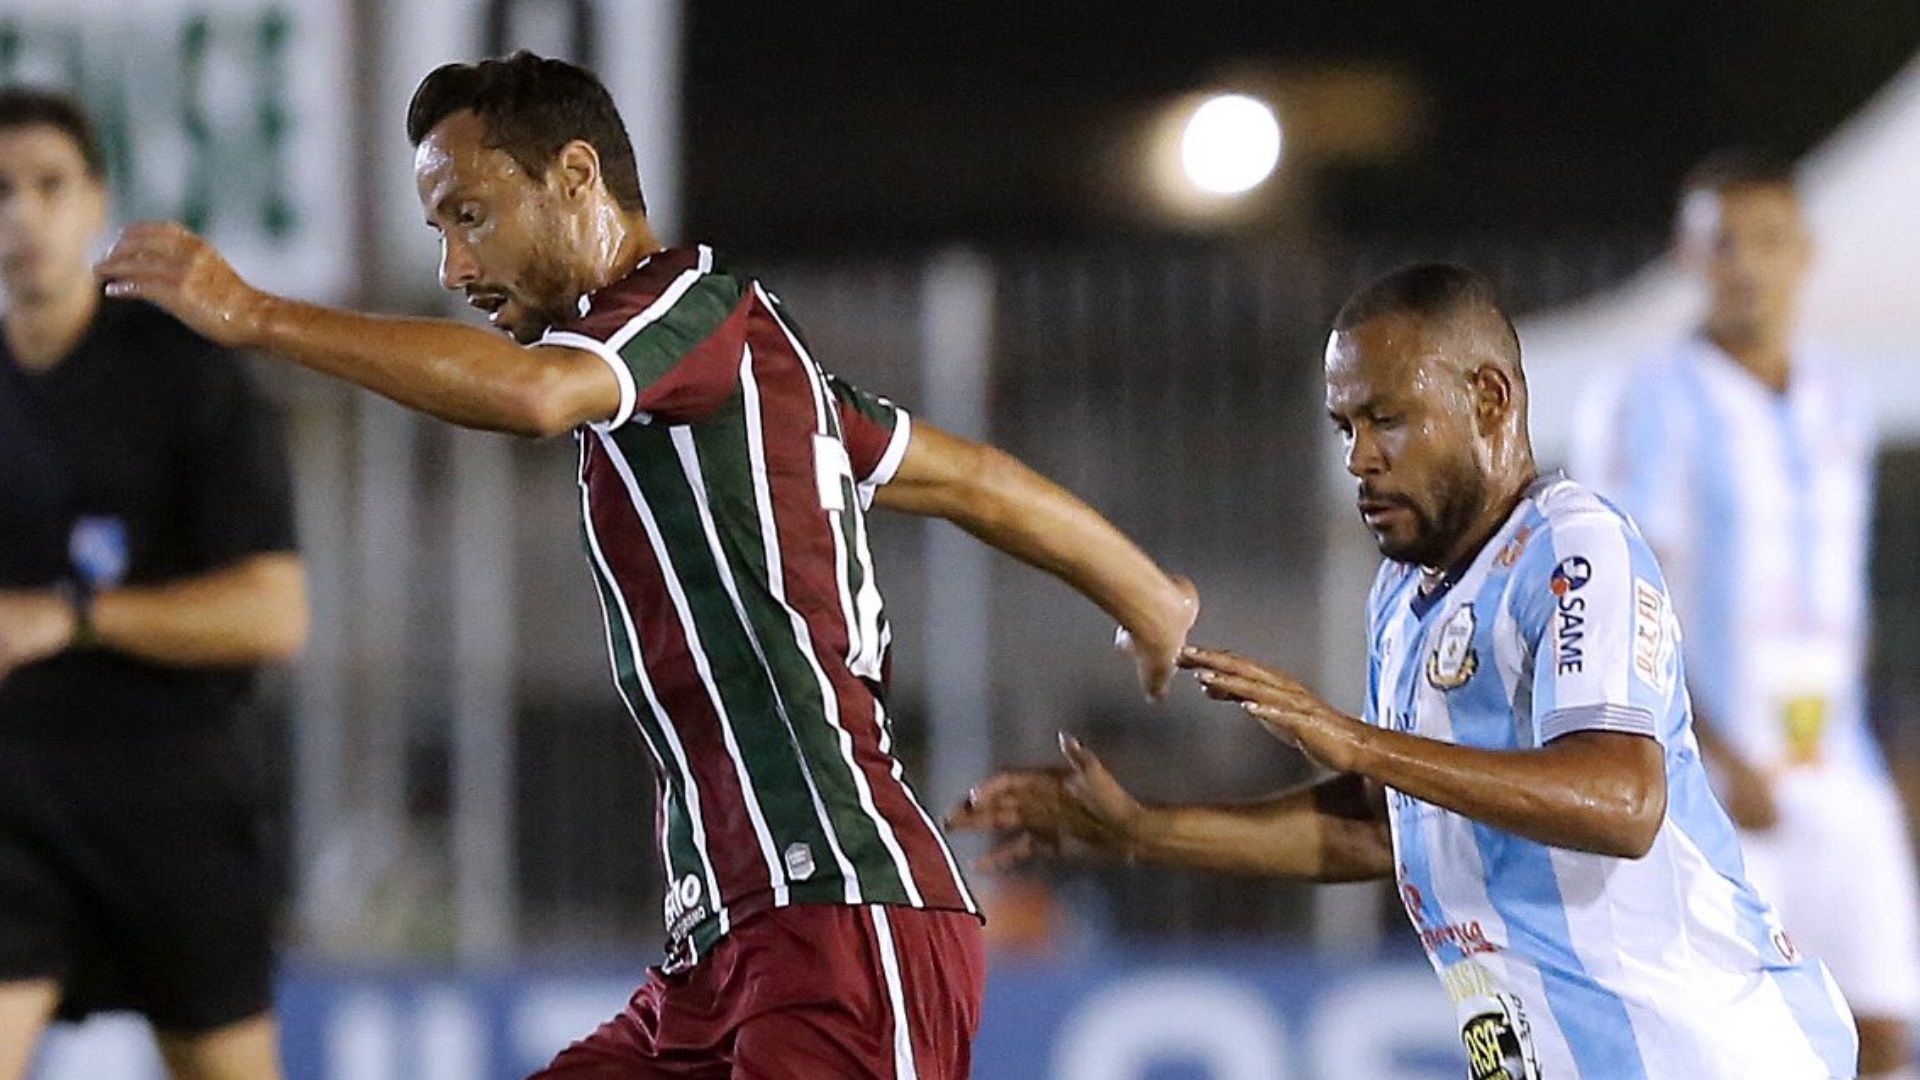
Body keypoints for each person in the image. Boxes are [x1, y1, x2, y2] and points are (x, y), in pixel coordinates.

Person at [93, 52, 1196, 1079]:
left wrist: (252, 314)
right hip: (718, 954)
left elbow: (532, 397)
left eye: (471, 217)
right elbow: (969, 480)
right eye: (439, 229)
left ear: (577, 177)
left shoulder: (688, 312)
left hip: (843, 919)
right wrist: (1145, 593)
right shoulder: (762, 377)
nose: (454, 266)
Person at [951, 263, 1861, 1079]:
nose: (1359, 458)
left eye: (1388, 419)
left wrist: (1356, 740)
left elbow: (1622, 802)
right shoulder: (1401, 599)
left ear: (1492, 400)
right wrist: (1144, 834)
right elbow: (1386, 830)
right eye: (1345, 425)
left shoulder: (1574, 548)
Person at [1570, 150, 1920, 1079]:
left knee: (1882, 1030)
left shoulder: (1842, 399)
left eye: (1768, 241)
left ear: (1805, 253)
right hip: (1718, 782)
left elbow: (1841, 592)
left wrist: (1880, 737)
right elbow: (1620, 598)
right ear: (1689, 259)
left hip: (1836, 760)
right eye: (1724, 244)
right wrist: (1717, 752)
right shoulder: (1644, 397)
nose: (1748, 265)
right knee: (1741, 1040)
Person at [0, 88, 308, 1080]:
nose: (22, 216)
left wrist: (74, 618)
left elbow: (274, 613)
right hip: (14, 815)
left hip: (173, 812)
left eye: (48, 186)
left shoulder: (188, 378)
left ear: (95, 203)